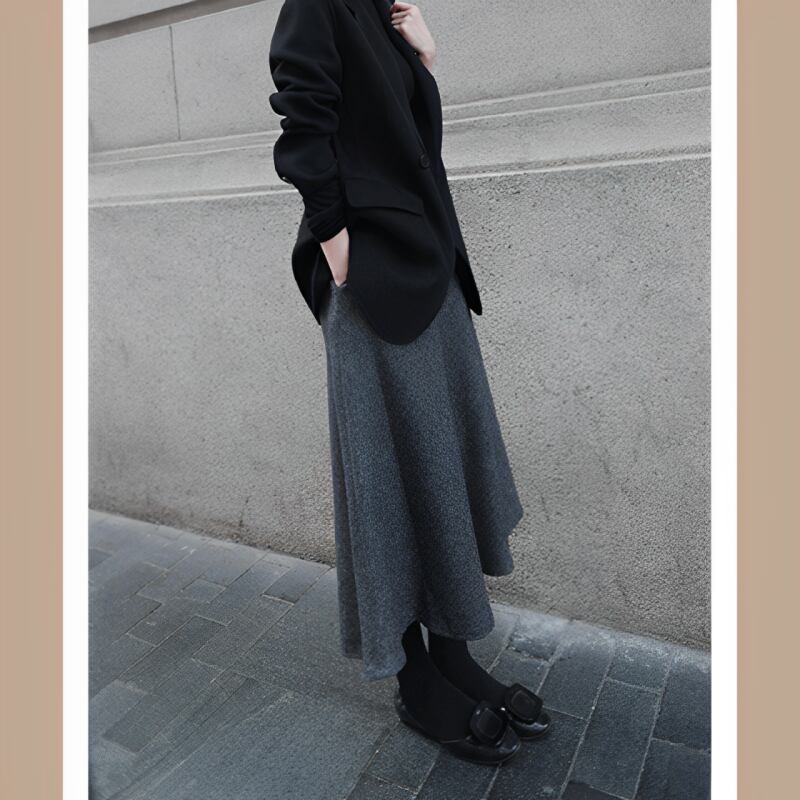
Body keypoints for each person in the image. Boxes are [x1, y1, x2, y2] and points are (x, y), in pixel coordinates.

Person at [268, 0, 550, 765]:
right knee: (391, 481)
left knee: (440, 467)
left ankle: (453, 653)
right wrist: (339, 250)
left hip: (429, 271)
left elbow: (403, 141)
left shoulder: (381, 12)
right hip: (376, 285)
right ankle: (416, 678)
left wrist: (423, 60)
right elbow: (303, 128)